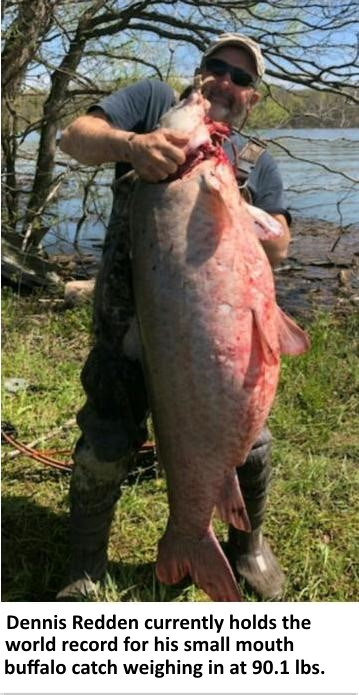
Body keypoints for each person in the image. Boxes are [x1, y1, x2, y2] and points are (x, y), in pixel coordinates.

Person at [58, 33, 291, 601]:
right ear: (200, 71)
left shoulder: (259, 162)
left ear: (252, 97)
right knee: (107, 435)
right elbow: (74, 135)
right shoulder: (154, 105)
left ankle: (246, 545)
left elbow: (280, 245)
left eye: (242, 78)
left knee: (249, 442)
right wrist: (132, 147)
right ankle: (84, 562)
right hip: (131, 329)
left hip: (217, 343)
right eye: (218, 68)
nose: (227, 83)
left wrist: (269, 232)